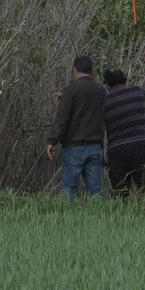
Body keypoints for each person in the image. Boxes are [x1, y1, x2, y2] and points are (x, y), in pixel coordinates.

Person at [48, 55, 105, 197]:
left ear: (75, 70)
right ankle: (101, 217)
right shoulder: (101, 90)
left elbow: (63, 118)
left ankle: (69, 217)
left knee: (69, 192)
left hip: (73, 146)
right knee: (96, 191)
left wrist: (52, 141)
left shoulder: (70, 90)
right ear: (92, 71)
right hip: (95, 145)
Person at [102, 68, 145, 196]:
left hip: (117, 151)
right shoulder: (138, 91)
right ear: (124, 80)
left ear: (107, 84)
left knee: (120, 193)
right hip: (141, 146)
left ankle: (123, 214)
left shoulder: (104, 100)